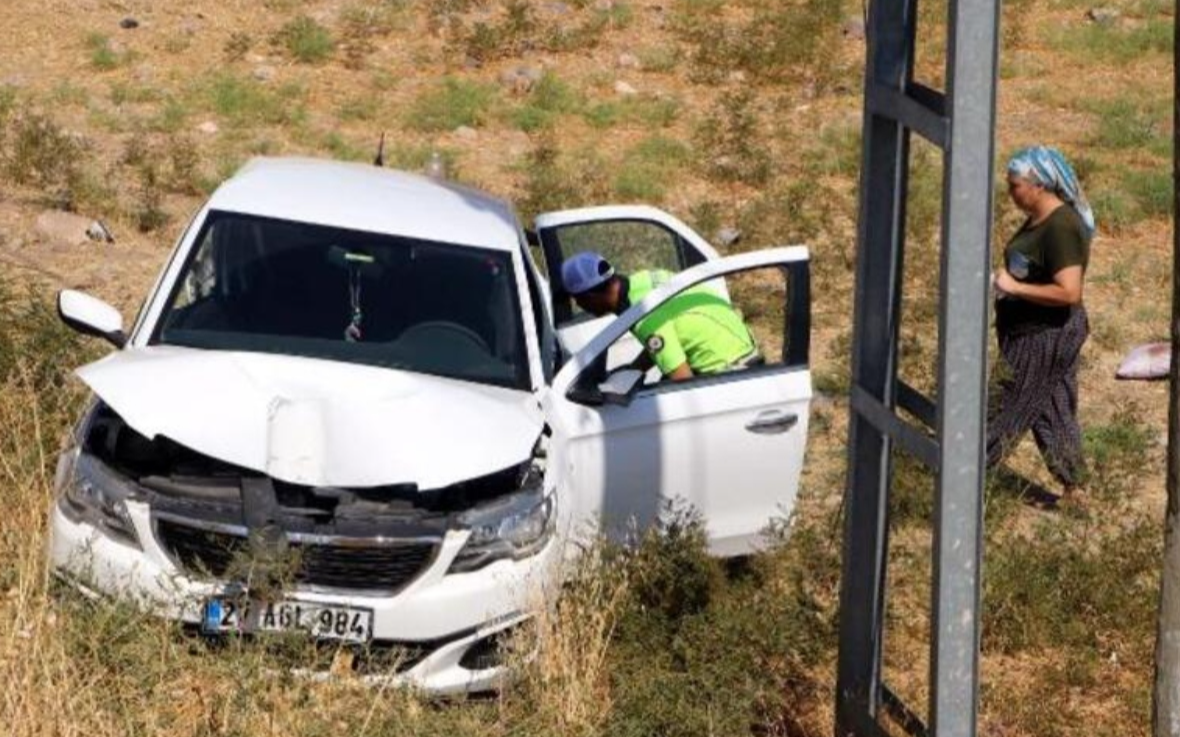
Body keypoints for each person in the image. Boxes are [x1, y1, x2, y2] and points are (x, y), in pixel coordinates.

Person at [988, 145, 1094, 503]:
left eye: (1015, 185)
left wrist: (1014, 287)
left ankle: (962, 477)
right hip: (1034, 330)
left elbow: (1069, 292)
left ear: (1040, 185)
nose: (1010, 192)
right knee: (1053, 405)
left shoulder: (1061, 227)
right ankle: (1075, 486)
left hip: (1044, 335)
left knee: (1002, 407)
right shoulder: (1040, 218)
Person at [561, 252, 762, 381]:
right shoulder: (644, 281)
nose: (578, 305)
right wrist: (632, 370)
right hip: (744, 349)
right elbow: (665, 334)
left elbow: (683, 381)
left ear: (591, 296)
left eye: (577, 299)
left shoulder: (645, 317)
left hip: (732, 373)